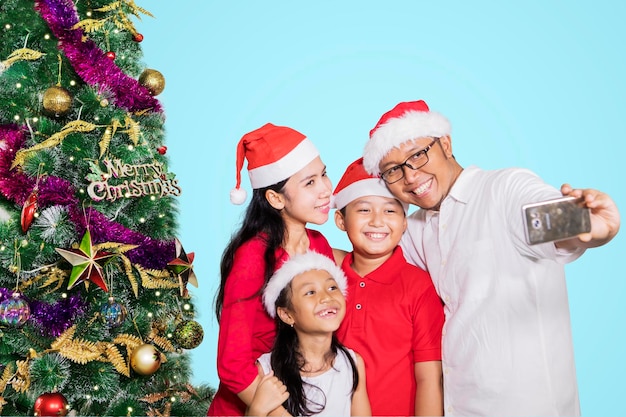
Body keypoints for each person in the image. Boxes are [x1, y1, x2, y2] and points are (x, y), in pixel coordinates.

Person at [361, 99, 621, 416]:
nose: (411, 176)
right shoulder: (416, 228)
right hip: (459, 404)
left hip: (526, 406)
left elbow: (540, 217)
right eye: (393, 170)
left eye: (417, 155)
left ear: (445, 143)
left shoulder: (502, 190)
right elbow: (369, 261)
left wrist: (590, 222)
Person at [208, 123, 336, 416]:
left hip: (304, 396)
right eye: (309, 183)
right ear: (276, 198)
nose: (326, 189)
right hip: (254, 402)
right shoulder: (252, 257)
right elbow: (233, 364)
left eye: (324, 175)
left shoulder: (319, 245)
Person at [331, 157, 445, 416]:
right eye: (363, 210)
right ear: (341, 220)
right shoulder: (327, 280)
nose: (377, 221)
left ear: (405, 223)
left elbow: (429, 377)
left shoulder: (419, 286)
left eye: (391, 211)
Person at [247, 251, 371, 417]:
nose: (326, 297)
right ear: (286, 315)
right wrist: (257, 409)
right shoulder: (266, 370)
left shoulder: (353, 363)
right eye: (310, 292)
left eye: (332, 287)